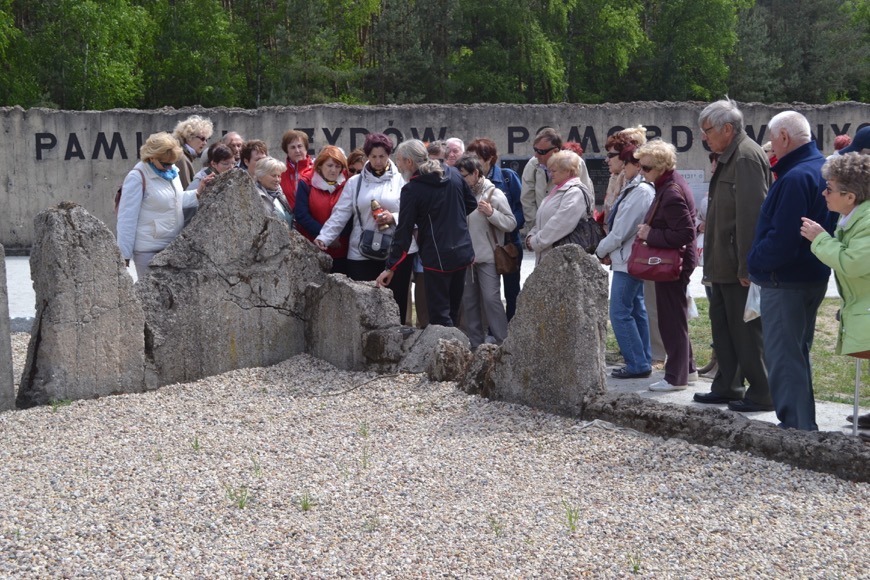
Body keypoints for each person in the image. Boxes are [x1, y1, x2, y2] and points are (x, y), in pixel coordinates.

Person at [748, 111, 833, 431]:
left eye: (773, 141)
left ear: (784, 137)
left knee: (784, 358)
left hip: (786, 281)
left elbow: (782, 239)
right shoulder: (820, 168)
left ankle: (796, 430)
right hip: (810, 276)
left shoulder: (796, 176)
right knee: (796, 354)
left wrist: (755, 262)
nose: (772, 149)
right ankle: (801, 425)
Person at [692, 99, 774, 413]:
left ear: (728, 129)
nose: (704, 136)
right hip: (721, 262)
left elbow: (751, 217)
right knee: (724, 329)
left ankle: (762, 391)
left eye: (707, 130)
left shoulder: (746, 157)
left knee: (746, 331)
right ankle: (728, 386)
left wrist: (747, 265)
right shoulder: (731, 155)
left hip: (735, 264)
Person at [800, 152, 870, 438]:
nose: (824, 193)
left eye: (829, 188)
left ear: (850, 196)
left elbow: (853, 263)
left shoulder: (866, 222)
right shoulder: (855, 218)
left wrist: (820, 239)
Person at [316, 133, 417, 325]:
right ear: (367, 157)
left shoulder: (403, 180)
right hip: (361, 250)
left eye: (382, 156)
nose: (378, 161)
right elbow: (340, 213)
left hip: (395, 251)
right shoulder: (354, 183)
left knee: (396, 304)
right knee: (363, 305)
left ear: (389, 155)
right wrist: (324, 237)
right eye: (373, 157)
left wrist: (393, 217)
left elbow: (415, 214)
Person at [376, 140, 476, 327]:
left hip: (436, 255)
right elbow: (471, 203)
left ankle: (446, 353)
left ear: (409, 162)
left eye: (398, 161)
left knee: (439, 316)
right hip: (462, 251)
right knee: (453, 312)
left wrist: (390, 267)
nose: (397, 165)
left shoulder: (412, 189)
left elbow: (403, 232)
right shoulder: (453, 173)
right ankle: (456, 351)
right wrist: (451, 221)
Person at [634, 140, 698, 392]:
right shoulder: (670, 184)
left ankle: (675, 377)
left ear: (661, 167)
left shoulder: (670, 192)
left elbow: (684, 233)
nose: (641, 172)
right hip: (676, 263)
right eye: (640, 166)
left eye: (646, 168)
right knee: (675, 318)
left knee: (671, 321)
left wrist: (649, 234)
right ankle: (687, 369)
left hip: (674, 265)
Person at [595, 144, 655, 379]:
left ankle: (637, 363)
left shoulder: (641, 191)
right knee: (636, 310)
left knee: (619, 312)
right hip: (628, 257)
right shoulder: (636, 188)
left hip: (629, 259)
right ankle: (642, 359)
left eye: (626, 164)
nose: (622, 168)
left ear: (637, 165)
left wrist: (600, 251)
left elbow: (621, 231)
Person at [116, 132, 200, 278]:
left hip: (173, 246)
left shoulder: (172, 172)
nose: (169, 167)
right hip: (148, 250)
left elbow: (175, 200)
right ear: (151, 156)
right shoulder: (137, 177)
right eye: (165, 163)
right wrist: (124, 255)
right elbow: (126, 219)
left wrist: (198, 193)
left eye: (172, 163)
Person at [455, 153, 516, 348]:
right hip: (466, 258)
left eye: (463, 175)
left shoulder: (494, 194)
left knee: (491, 300)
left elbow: (511, 223)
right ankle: (475, 344)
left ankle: (503, 341)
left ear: (475, 173)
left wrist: (492, 213)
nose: (461, 179)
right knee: (469, 302)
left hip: (489, 257)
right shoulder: (459, 193)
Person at [466, 138, 524, 320]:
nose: (472, 161)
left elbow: (519, 210)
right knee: (488, 294)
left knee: (511, 290)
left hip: (507, 243)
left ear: (489, 158)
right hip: (483, 246)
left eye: (476, 157)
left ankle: (513, 327)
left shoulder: (506, 177)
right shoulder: (467, 182)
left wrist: (503, 226)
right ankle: (492, 329)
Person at [523, 150, 594, 264]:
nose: (550, 174)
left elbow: (559, 223)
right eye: (549, 170)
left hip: (565, 262)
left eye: (554, 171)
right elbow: (542, 219)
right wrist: (531, 235)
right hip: (550, 257)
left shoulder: (575, 192)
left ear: (568, 171)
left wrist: (535, 242)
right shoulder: (557, 190)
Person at [521, 127, 594, 235]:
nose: (536, 155)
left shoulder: (575, 163)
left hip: (571, 232)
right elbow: (527, 199)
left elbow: (586, 196)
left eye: (541, 152)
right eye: (535, 150)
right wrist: (538, 228)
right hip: (541, 230)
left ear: (555, 151)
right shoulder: (533, 164)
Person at [294, 146, 350, 275]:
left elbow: (351, 215)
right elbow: (301, 214)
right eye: (329, 165)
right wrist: (326, 236)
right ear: (319, 166)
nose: (333, 170)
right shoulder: (306, 182)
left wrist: (337, 236)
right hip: (314, 247)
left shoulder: (347, 183)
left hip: (342, 247)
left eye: (338, 166)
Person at [172, 115, 213, 189]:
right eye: (202, 138)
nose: (205, 143)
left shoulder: (185, 156)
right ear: (189, 136)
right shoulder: (181, 158)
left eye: (207, 139)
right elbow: (186, 190)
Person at [280, 129, 314, 211]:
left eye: (300, 146)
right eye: (292, 147)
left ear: (306, 148)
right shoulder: (280, 173)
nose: (297, 151)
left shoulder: (317, 170)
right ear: (287, 151)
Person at [253, 156, 293, 227]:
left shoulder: (279, 194)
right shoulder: (255, 197)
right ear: (260, 176)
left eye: (279, 176)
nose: (277, 180)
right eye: (273, 176)